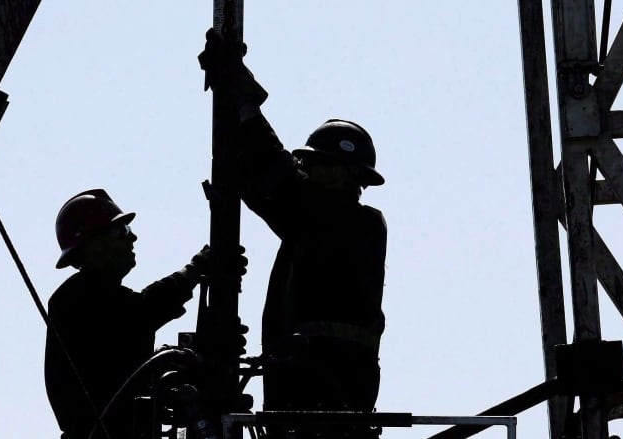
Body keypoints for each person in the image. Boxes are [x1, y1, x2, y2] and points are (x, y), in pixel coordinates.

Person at [199, 31, 387, 439]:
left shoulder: (361, 226)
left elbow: (285, 188)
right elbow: (279, 194)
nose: (312, 173)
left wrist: (245, 102)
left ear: (352, 178)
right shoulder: (309, 229)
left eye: (322, 167)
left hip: (331, 400)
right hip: (298, 399)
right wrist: (236, 191)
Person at [44, 189, 212, 439]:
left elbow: (119, 351)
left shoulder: (93, 298)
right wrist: (194, 271)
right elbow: (141, 312)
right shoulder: (77, 300)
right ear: (94, 245)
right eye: (121, 231)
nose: (132, 238)